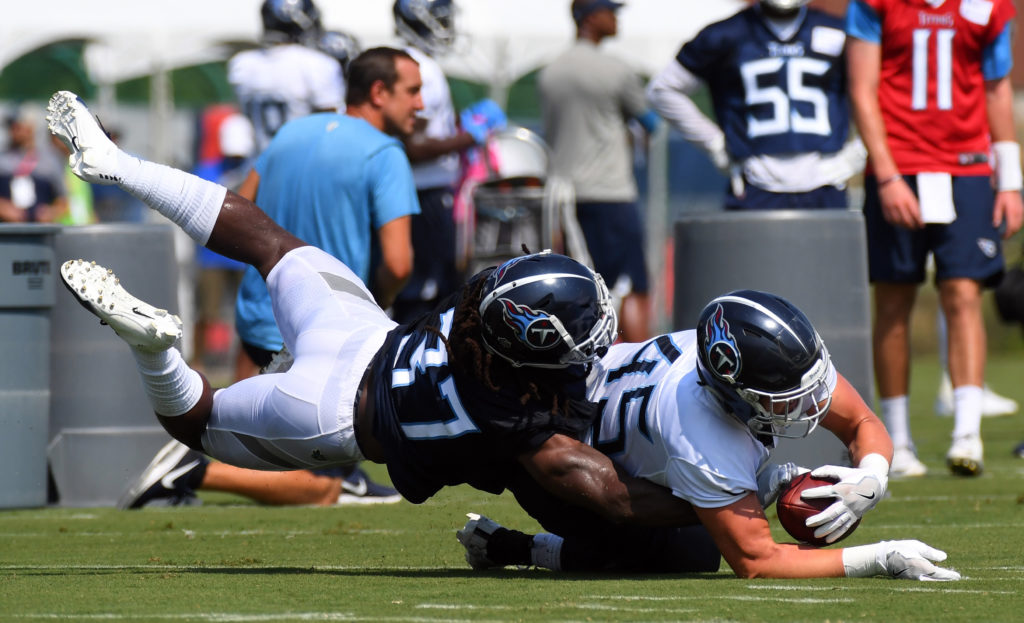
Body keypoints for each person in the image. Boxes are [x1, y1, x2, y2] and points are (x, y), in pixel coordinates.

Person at [46, 87, 695, 529]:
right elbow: (610, 494)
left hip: (362, 332)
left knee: (271, 243)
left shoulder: (480, 301)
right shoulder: (521, 418)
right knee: (200, 424)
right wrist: (716, 500)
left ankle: (119, 163)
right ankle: (155, 348)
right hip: (333, 411)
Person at [456, 290, 961, 581]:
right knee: (681, 554)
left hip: (608, 408)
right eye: (786, 395)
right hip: (572, 462)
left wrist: (873, 475)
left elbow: (861, 423)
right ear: (736, 393)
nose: (809, 404)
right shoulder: (702, 431)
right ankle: (515, 548)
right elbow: (757, 561)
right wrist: (881, 558)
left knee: (698, 540)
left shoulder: (741, 366)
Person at [122, 47, 426, 509]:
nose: (421, 105)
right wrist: (373, 308)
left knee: (236, 435)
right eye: (413, 91)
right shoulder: (385, 152)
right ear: (379, 93)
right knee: (317, 482)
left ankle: (193, 466)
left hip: (260, 306)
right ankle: (194, 471)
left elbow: (236, 209)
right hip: (329, 334)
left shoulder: (288, 134)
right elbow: (400, 262)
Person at [845, 0, 1023, 477]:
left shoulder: (988, 7)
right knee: (895, 298)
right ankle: (897, 442)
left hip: (966, 168)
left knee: (964, 293)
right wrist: (885, 176)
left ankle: (967, 433)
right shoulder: (875, 4)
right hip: (900, 165)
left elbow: (997, 87)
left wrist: (1010, 180)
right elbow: (862, 89)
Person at [646, 0, 865, 211]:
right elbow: (663, 90)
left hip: (826, 177)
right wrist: (713, 142)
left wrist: (860, 150)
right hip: (756, 181)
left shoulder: (840, 32)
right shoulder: (726, 34)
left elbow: (881, 89)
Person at [537, 0, 659, 343]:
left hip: (564, 196)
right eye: (611, 11)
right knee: (632, 284)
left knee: (581, 287)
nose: (616, 17)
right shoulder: (615, 69)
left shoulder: (550, 71)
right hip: (610, 193)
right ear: (591, 17)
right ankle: (638, 367)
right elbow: (650, 123)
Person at [391, 0, 507, 323]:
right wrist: (471, 136)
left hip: (416, 191)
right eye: (441, 18)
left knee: (425, 292)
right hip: (424, 193)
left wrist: (459, 124)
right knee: (426, 299)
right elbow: (414, 144)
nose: (447, 26)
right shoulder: (421, 67)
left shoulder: (404, 59)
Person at [228, 0, 344, 156]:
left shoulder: (243, 63)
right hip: (303, 167)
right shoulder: (318, 64)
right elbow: (332, 125)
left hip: (258, 168)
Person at [0, 103, 67, 223]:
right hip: (6, 230)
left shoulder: (50, 161)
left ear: (31, 127)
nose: (14, 131)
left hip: (39, 231)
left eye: (18, 126)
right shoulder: (2, 160)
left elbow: (63, 200)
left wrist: (51, 212)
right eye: (11, 127)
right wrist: (3, 208)